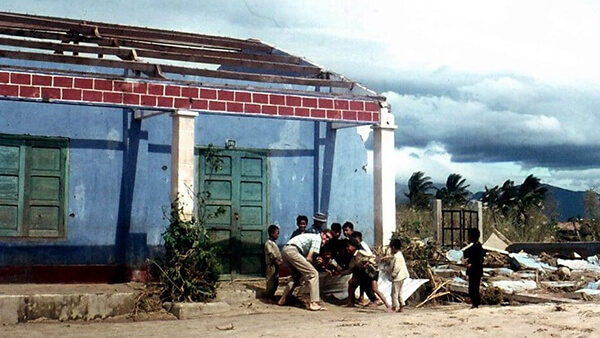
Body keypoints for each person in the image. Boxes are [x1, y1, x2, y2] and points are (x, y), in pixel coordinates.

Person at [278, 230, 334, 311]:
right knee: (314, 274)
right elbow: (309, 258)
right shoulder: (317, 239)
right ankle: (313, 303)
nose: (327, 239)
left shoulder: (313, 238)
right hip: (293, 251)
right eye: (326, 236)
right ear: (322, 234)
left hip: (286, 250)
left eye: (329, 238)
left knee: (296, 276)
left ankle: (283, 300)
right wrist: (309, 271)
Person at [342, 238, 391, 311]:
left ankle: (387, 305)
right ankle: (351, 302)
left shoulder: (361, 253)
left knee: (375, 289)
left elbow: (372, 258)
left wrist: (367, 263)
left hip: (372, 273)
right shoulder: (353, 257)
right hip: (365, 275)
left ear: (354, 247)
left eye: (348, 246)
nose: (347, 248)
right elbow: (350, 269)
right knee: (352, 282)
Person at [461, 228, 486, 308]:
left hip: (476, 270)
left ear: (473, 237)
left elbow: (479, 259)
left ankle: (475, 303)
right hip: (472, 271)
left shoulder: (478, 247)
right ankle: (474, 303)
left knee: (474, 288)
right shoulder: (472, 247)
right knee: (472, 288)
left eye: (469, 235)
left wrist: (471, 264)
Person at [389, 238, 409, 312]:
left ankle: (395, 306)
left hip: (397, 277)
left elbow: (397, 267)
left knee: (394, 293)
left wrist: (393, 274)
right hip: (402, 276)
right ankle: (402, 303)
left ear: (393, 247)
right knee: (400, 291)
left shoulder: (396, 256)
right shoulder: (400, 255)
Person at [264, 224, 283, 301]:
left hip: (275, 265)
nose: (278, 235)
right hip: (271, 265)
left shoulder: (274, 243)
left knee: (276, 280)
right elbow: (271, 253)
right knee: (270, 281)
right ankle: (268, 296)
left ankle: (272, 295)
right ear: (272, 233)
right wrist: (276, 260)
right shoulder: (268, 243)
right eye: (277, 233)